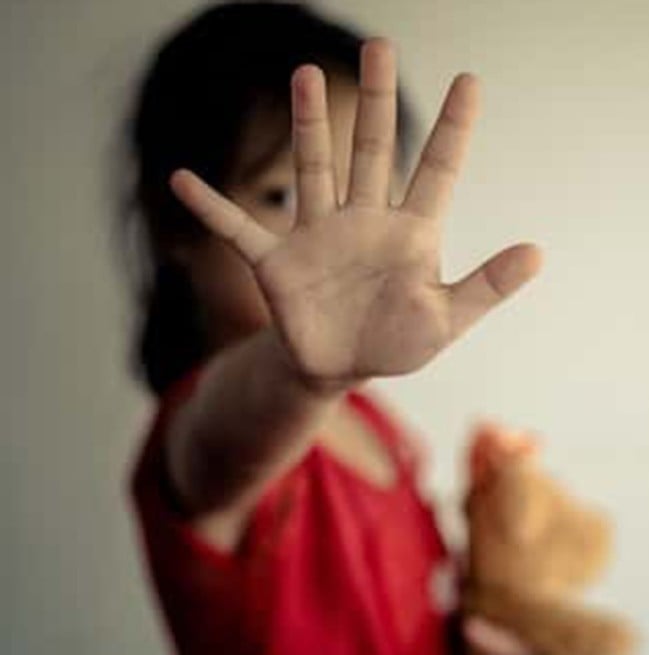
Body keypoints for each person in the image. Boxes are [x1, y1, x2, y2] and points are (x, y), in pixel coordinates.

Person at [119, 4, 543, 654]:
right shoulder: (203, 436)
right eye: (284, 195)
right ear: (175, 227)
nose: (337, 238)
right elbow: (221, 444)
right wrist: (304, 375)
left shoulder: (379, 428)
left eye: (361, 196)